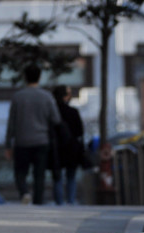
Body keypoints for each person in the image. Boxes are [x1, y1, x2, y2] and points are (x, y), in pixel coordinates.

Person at [5, 65, 61, 205]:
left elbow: (11, 122)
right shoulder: (46, 97)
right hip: (41, 141)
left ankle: (24, 192)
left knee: (20, 172)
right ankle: (38, 202)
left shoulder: (18, 97)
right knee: (39, 175)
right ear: (39, 77)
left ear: (25, 77)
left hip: (22, 141)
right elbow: (56, 119)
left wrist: (7, 144)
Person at [51, 85, 86, 205]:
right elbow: (80, 131)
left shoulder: (52, 113)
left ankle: (59, 202)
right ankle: (70, 201)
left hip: (56, 148)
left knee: (57, 177)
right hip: (71, 148)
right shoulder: (73, 112)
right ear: (65, 96)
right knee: (71, 177)